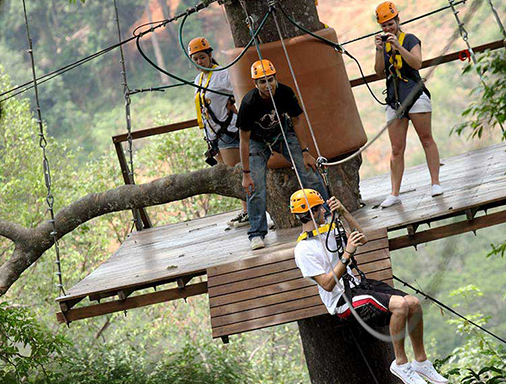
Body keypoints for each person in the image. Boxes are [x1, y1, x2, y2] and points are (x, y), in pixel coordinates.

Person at [292, 189, 448, 384]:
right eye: (321, 209)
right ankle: (400, 363)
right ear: (313, 212)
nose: (325, 211)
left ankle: (421, 361)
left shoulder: (329, 231)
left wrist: (344, 212)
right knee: (400, 305)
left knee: (413, 303)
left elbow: (363, 238)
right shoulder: (304, 250)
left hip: (357, 285)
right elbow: (327, 284)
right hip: (342, 300)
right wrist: (347, 254)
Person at [237, 59, 329, 250]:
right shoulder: (248, 103)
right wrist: (246, 174)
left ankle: (327, 213)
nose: (268, 85)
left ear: (275, 79)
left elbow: (296, 121)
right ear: (255, 84)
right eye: (262, 82)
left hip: (282, 134)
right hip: (257, 141)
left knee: (308, 171)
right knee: (256, 186)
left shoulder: (285, 93)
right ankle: (256, 233)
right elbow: (244, 141)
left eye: (270, 80)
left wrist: (305, 152)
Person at [374, 2, 444, 208]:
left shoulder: (409, 39)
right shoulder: (383, 44)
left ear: (397, 21)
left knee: (426, 138)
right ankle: (394, 193)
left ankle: (435, 183)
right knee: (396, 148)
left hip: (414, 93)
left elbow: (416, 63)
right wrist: (379, 50)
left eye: (390, 24)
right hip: (395, 98)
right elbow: (379, 71)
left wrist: (397, 46)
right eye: (384, 26)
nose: (388, 29)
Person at [189, 37, 248, 227]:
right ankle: (246, 210)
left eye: (202, 57)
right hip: (214, 136)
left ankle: (250, 211)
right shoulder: (199, 78)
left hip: (228, 131)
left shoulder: (222, 74)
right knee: (232, 176)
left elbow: (241, 92)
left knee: (239, 174)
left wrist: (237, 110)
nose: (199, 62)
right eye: (195, 59)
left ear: (209, 55)